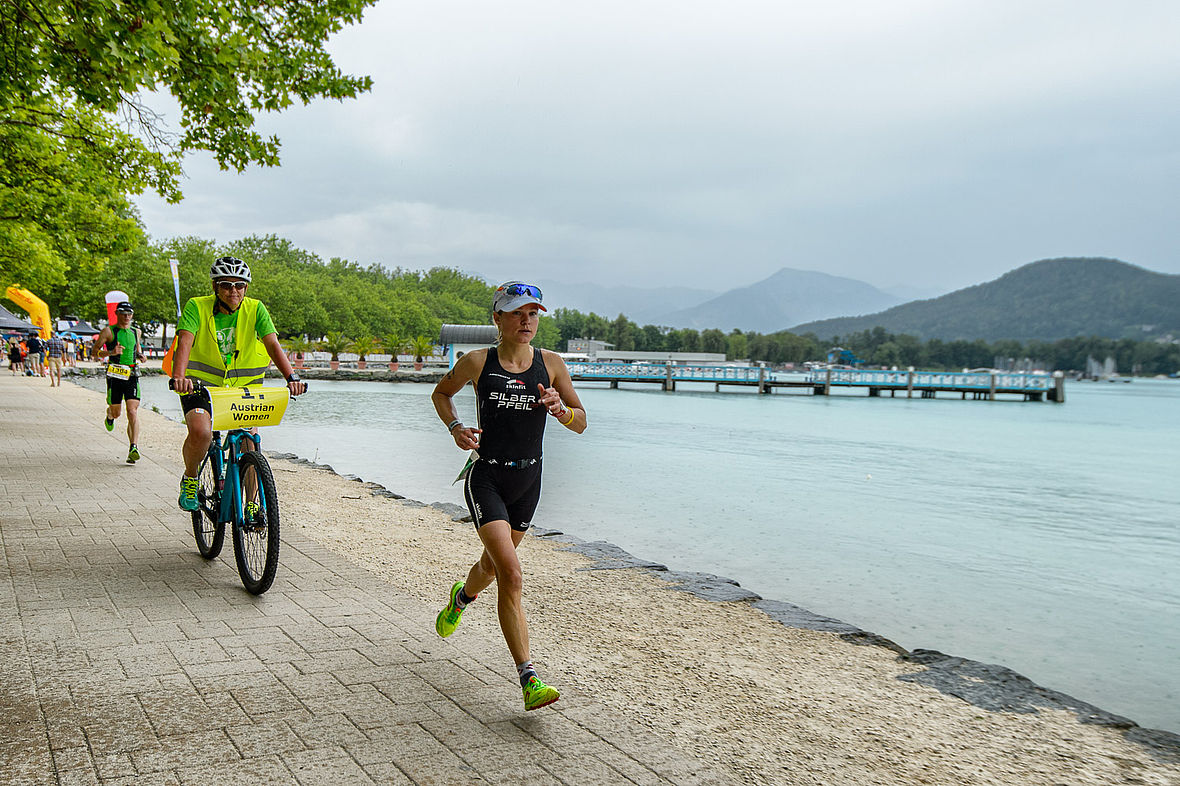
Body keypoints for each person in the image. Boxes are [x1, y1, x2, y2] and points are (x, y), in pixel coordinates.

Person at [430, 281, 587, 711]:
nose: (527, 321)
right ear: (497, 319)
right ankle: (529, 678)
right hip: (487, 479)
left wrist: (560, 409)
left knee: (493, 566)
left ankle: (461, 598)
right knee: (513, 574)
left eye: (533, 314)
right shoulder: (478, 362)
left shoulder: (551, 365)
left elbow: (581, 422)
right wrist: (456, 428)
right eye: (518, 313)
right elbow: (441, 393)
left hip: (529, 483)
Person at [170, 256, 306, 512]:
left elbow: (273, 344)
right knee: (201, 433)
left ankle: (252, 504)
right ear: (215, 287)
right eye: (226, 285)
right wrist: (180, 377)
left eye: (239, 285)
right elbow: (185, 341)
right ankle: (190, 477)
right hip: (200, 386)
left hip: (243, 390)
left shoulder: (256, 309)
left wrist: (292, 377)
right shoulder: (196, 307)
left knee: (250, 443)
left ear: (246, 288)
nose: (233, 291)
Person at [96, 302, 146, 463]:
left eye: (129, 314)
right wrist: (111, 352)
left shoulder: (136, 331)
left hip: (132, 374)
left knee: (132, 411)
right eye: (123, 313)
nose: (126, 317)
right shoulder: (108, 331)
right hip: (115, 374)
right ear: (117, 314)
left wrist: (140, 356)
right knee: (117, 412)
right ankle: (110, 415)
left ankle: (134, 447)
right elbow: (94, 352)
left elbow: (136, 349)